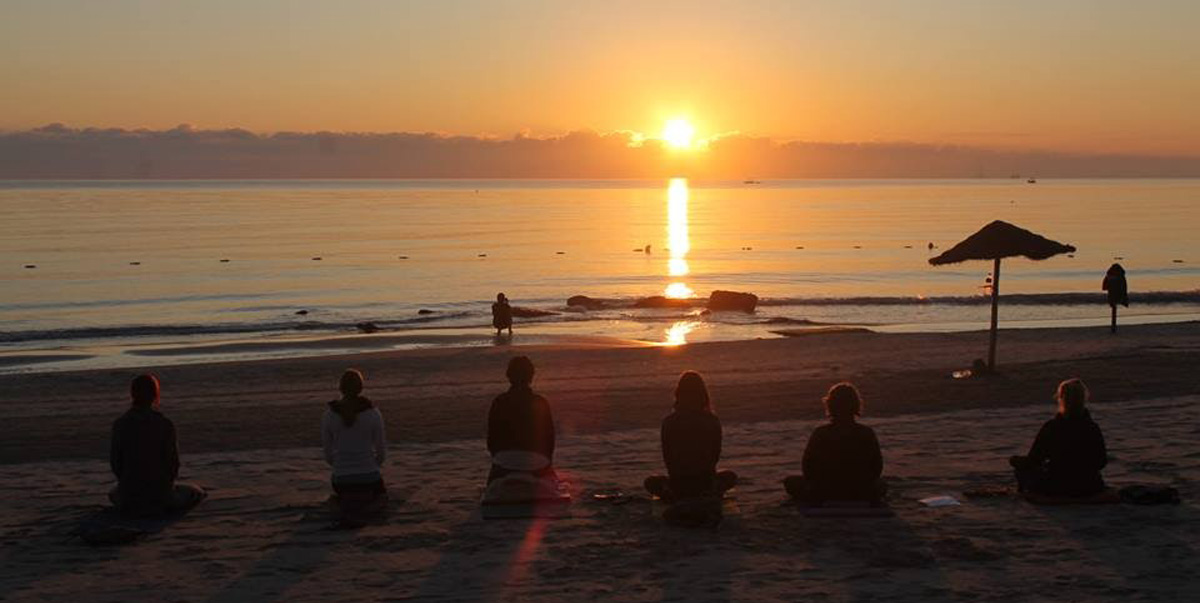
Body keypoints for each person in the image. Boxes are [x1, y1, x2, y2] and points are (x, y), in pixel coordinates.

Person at [109, 374, 206, 517]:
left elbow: (116, 462)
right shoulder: (164, 424)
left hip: (130, 493)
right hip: (161, 494)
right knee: (196, 492)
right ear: (155, 395)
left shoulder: (120, 424)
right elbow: (173, 463)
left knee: (113, 493)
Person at [784, 382, 886, 505]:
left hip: (825, 489)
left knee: (791, 482)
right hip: (859, 489)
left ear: (830, 405)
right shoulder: (866, 432)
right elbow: (877, 466)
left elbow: (808, 466)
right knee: (882, 484)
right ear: (855, 405)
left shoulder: (821, 433)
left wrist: (816, 485)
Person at [644, 371, 738, 502]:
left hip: (678, 482)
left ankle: (672, 495)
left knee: (650, 482)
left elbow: (668, 457)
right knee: (730, 476)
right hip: (705, 481)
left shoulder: (670, 421)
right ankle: (710, 492)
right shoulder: (711, 420)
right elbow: (715, 455)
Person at [1009, 378, 1107, 497]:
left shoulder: (1052, 427)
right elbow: (1101, 461)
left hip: (1057, 486)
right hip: (1090, 486)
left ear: (1061, 399)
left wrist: (1015, 460)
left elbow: (1034, 459)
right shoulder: (1092, 427)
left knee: (1023, 470)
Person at [486, 356, 556, 483]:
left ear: (508, 376)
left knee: (492, 485)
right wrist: (546, 462)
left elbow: (492, 438)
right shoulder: (540, 402)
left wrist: (498, 457)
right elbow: (549, 438)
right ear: (531, 376)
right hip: (537, 460)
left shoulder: (499, 401)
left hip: (504, 460)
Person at [321, 369, 387, 499]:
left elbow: (328, 455)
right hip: (369, 476)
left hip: (341, 479)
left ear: (340, 388)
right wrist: (368, 465)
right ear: (361, 388)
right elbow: (381, 453)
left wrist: (342, 465)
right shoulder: (374, 413)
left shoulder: (329, 415)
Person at [1102, 263, 1128, 334]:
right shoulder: (1121, 276)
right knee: (1114, 309)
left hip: (1113, 295)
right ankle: (1113, 328)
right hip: (1116, 294)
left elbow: (1104, 287)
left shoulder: (1110, 275)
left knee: (1114, 309)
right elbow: (1124, 287)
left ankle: (1113, 328)